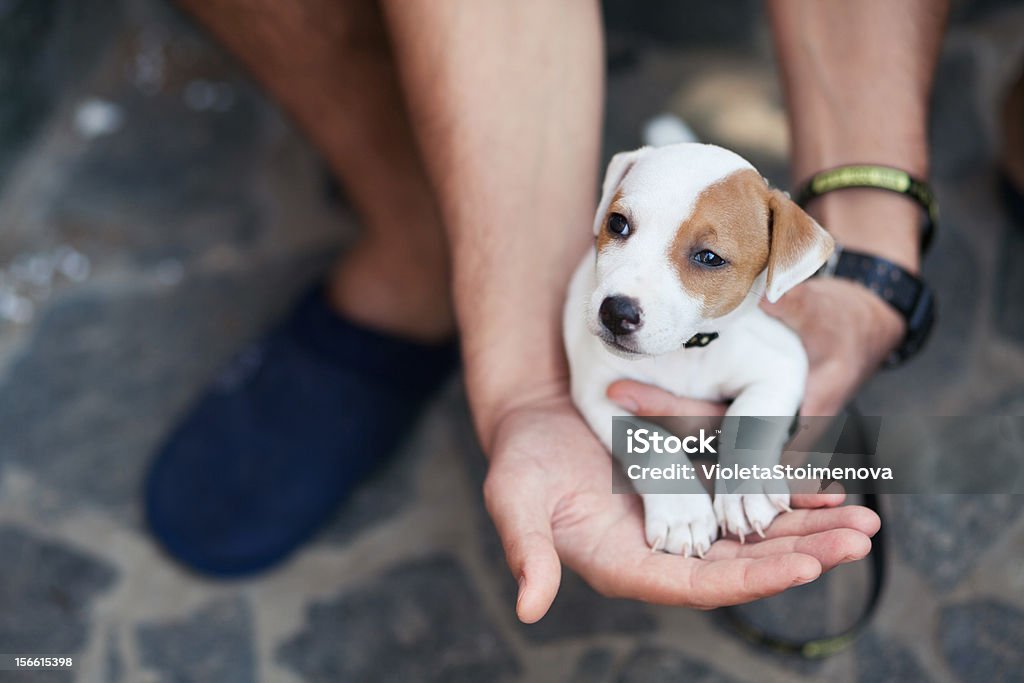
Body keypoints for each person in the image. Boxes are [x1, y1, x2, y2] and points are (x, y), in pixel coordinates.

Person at [145, 0, 947, 622]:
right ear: (611, 194)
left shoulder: (765, 299)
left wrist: (746, 456)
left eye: (705, 259)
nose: (627, 290)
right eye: (621, 227)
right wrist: (655, 471)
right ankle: (424, 237)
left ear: (781, 267)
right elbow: (604, 397)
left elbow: (778, 369)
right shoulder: (614, 282)